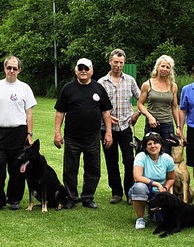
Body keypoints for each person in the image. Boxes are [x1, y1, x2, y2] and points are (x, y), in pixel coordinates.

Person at [54, 58, 113, 209]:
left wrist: (108, 133)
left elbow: (106, 111)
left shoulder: (99, 88)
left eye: (86, 68)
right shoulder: (68, 88)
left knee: (93, 168)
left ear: (91, 70)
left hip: (93, 137)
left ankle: (88, 197)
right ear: (76, 71)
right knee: (70, 169)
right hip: (72, 137)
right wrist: (57, 133)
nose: (83, 71)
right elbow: (60, 112)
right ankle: (71, 197)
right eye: (80, 68)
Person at [0, 55, 36, 212]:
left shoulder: (24, 88)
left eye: (15, 68)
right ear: (4, 68)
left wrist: (29, 134)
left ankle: (14, 199)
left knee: (17, 169)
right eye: (9, 68)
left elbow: (29, 113)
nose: (11, 71)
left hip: (19, 132)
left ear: (19, 70)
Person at [98, 49, 141, 204]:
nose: (118, 65)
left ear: (124, 63)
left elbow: (142, 99)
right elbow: (96, 106)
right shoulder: (102, 82)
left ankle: (130, 191)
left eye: (121, 62)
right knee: (111, 161)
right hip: (107, 129)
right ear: (110, 62)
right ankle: (116, 192)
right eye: (115, 62)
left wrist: (137, 113)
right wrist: (107, 117)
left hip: (125, 127)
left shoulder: (130, 80)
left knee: (129, 160)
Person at [136, 55, 181, 154]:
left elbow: (175, 107)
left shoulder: (173, 86)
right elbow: (140, 104)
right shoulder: (147, 84)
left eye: (167, 67)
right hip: (152, 125)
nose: (164, 69)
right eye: (163, 66)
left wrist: (178, 126)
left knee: (166, 154)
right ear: (157, 67)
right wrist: (149, 116)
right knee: (151, 153)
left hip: (167, 125)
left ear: (170, 70)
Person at [129, 132, 175, 229]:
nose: (153, 146)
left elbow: (171, 178)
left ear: (161, 144)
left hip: (160, 193)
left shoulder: (168, 159)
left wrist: (165, 188)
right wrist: (157, 184)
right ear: (145, 147)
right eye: (149, 144)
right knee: (139, 187)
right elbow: (137, 177)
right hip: (143, 189)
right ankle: (140, 219)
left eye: (156, 143)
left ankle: (152, 213)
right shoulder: (141, 156)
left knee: (161, 221)